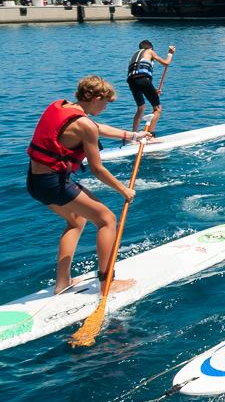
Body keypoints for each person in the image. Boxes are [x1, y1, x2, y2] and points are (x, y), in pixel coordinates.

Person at [26, 76, 150, 294]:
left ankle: (62, 283)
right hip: (54, 183)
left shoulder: (63, 107)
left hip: (35, 182)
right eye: (106, 103)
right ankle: (106, 284)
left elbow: (95, 127)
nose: (106, 107)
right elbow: (97, 169)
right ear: (97, 98)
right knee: (107, 220)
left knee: (76, 221)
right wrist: (123, 190)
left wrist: (131, 135)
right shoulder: (85, 125)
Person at [127, 39, 174, 137]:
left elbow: (138, 74)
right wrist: (170, 54)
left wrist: (153, 90)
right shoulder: (149, 51)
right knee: (157, 108)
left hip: (132, 81)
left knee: (141, 108)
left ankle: (133, 136)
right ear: (151, 48)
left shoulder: (134, 56)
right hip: (143, 80)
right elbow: (166, 63)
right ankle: (150, 135)